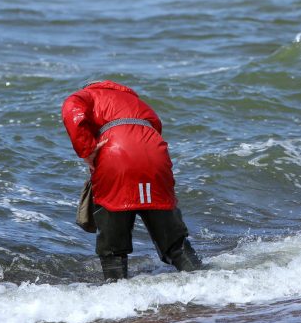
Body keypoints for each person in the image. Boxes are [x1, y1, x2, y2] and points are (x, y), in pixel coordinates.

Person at [62, 79, 202, 280]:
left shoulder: (88, 94)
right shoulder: (136, 102)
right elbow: (155, 127)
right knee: (173, 241)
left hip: (116, 153)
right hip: (155, 154)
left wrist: (86, 149)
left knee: (113, 247)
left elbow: (71, 107)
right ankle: (207, 286)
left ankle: (119, 299)